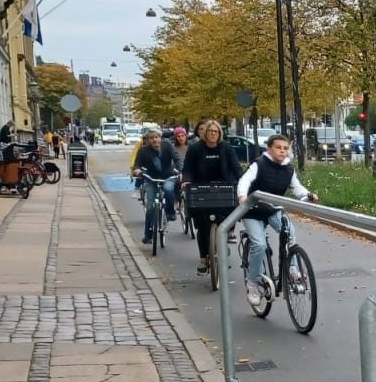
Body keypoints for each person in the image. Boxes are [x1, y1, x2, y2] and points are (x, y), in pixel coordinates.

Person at [236, 133, 318, 310]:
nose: (282, 151)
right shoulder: (259, 164)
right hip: (253, 210)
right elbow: (244, 181)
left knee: (290, 232)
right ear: (269, 148)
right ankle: (253, 284)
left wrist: (307, 195)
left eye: (285, 148)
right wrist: (242, 196)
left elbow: (297, 188)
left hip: (273, 209)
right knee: (259, 245)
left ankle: (293, 269)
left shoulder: (289, 169)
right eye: (278, 148)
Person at [180, 119, 241, 275]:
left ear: (219, 133)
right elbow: (187, 168)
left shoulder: (226, 148)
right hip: (201, 188)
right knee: (202, 226)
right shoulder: (195, 149)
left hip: (224, 188)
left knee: (227, 217)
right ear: (204, 132)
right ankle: (203, 259)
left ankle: (227, 237)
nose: (213, 134)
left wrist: (243, 182)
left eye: (216, 131)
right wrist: (186, 181)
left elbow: (236, 168)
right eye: (210, 131)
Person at [131, 126, 180, 244]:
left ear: (160, 138)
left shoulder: (167, 146)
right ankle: (148, 235)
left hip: (168, 176)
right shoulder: (143, 150)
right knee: (150, 207)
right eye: (151, 138)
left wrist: (180, 170)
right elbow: (137, 164)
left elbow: (177, 159)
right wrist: (137, 170)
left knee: (168, 189)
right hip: (152, 179)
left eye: (157, 137)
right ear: (147, 140)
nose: (155, 140)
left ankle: (170, 212)